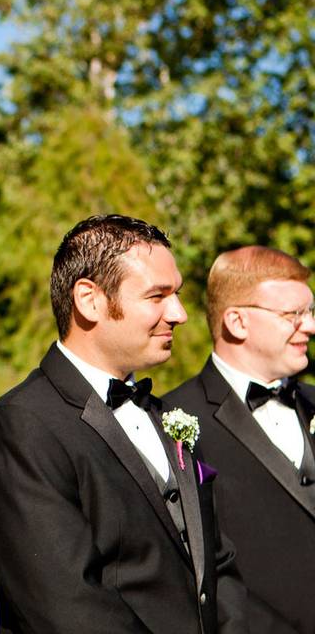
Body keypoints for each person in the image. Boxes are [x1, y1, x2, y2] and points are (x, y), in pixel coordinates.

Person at [0, 214, 247, 633]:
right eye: (158, 296)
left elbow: (217, 566)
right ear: (89, 300)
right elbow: (69, 607)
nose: (180, 313)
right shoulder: (21, 427)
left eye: (178, 295)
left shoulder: (163, 415)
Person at [165, 246, 315, 633]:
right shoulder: (172, 422)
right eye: (293, 315)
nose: (310, 326)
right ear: (236, 321)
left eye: (310, 312)